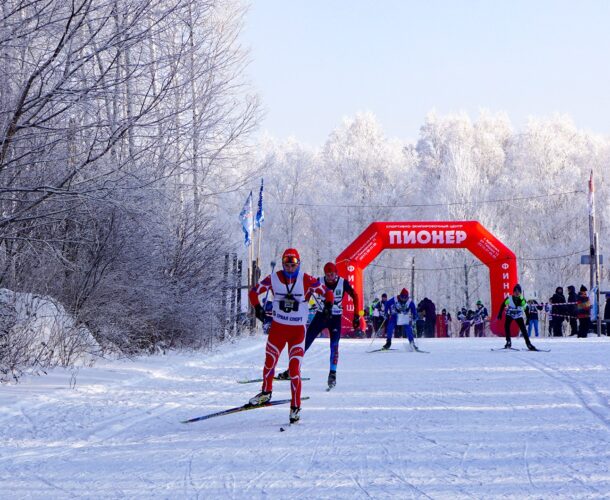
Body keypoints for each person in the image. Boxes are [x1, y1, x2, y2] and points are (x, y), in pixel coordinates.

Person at [249, 248, 333, 423]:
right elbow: (253, 292)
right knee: (270, 361)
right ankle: (266, 392)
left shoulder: (306, 279)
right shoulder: (273, 278)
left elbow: (328, 293)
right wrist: (257, 308)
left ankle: (295, 408)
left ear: (298, 264)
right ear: (282, 264)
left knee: (294, 369)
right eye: (286, 265)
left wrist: (328, 307)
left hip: (297, 331)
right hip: (278, 329)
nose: (289, 269)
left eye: (293, 265)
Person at [276, 261, 360, 389]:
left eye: (332, 274)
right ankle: (291, 370)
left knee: (334, 346)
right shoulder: (319, 281)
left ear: (336, 273)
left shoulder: (343, 282)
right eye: (327, 275)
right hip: (321, 316)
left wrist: (356, 315)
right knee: (304, 342)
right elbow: (307, 293)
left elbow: (355, 296)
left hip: (335, 317)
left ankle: (332, 374)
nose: (330, 277)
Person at [496, 284, 537, 350]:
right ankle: (508, 342)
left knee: (523, 329)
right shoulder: (509, 298)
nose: (517, 293)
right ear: (513, 292)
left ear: (520, 293)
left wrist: (528, 318)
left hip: (518, 315)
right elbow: (503, 304)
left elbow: (526, 309)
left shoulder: (522, 299)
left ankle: (528, 344)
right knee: (506, 326)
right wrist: (500, 313)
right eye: (515, 291)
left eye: (518, 292)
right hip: (510, 314)